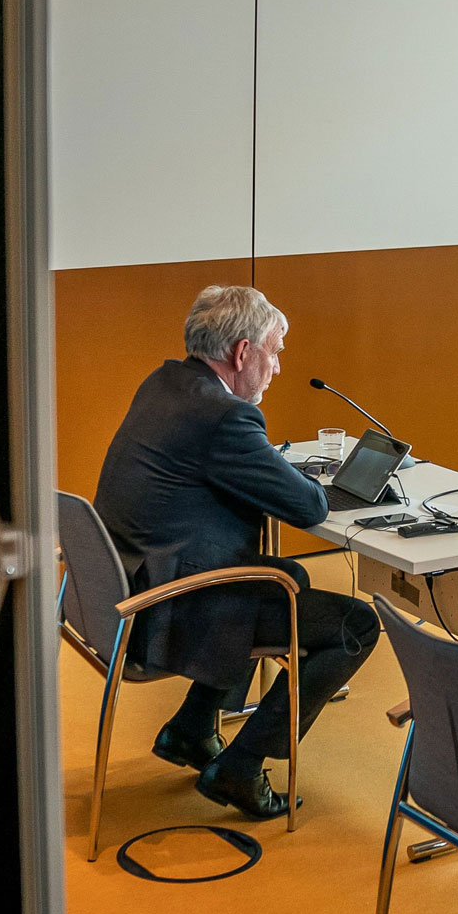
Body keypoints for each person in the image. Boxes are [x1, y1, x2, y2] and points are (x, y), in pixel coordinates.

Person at [95, 285, 380, 819]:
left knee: (284, 574)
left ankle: (192, 729)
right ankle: (241, 766)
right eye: (274, 352)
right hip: (167, 610)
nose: (276, 367)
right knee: (355, 626)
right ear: (243, 353)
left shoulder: (165, 383)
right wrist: (300, 478)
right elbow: (309, 508)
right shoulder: (226, 418)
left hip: (124, 586)